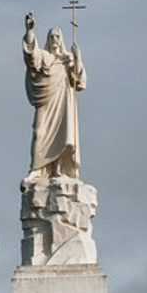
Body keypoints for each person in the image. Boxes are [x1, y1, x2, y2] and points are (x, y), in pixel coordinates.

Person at [22, 11, 86, 182]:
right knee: (39, 132)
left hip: (63, 102)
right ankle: (37, 169)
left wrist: (78, 59)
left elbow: (80, 82)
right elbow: (31, 57)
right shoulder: (45, 57)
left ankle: (57, 169)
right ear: (48, 39)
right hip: (47, 101)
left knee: (63, 133)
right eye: (52, 36)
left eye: (57, 36)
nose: (55, 39)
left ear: (61, 39)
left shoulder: (68, 59)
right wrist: (30, 31)